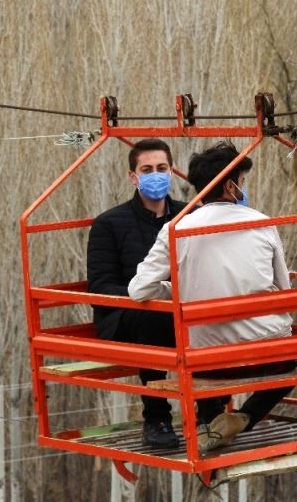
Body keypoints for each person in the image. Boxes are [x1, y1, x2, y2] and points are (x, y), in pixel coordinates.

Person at [128, 141, 297, 451]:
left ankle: (208, 422)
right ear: (232, 185)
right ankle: (245, 417)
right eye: (242, 182)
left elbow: (139, 289)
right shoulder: (263, 224)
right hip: (267, 358)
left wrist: (177, 290)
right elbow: (284, 290)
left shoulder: (175, 229)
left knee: (207, 343)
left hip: (207, 362)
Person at [86, 138, 187, 448]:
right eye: (147, 169)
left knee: (211, 316)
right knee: (150, 318)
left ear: (171, 172)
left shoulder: (188, 216)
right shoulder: (110, 224)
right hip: (125, 315)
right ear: (134, 176)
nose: (155, 174)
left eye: (161, 168)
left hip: (180, 309)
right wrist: (149, 296)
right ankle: (157, 416)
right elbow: (101, 285)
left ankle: (211, 411)